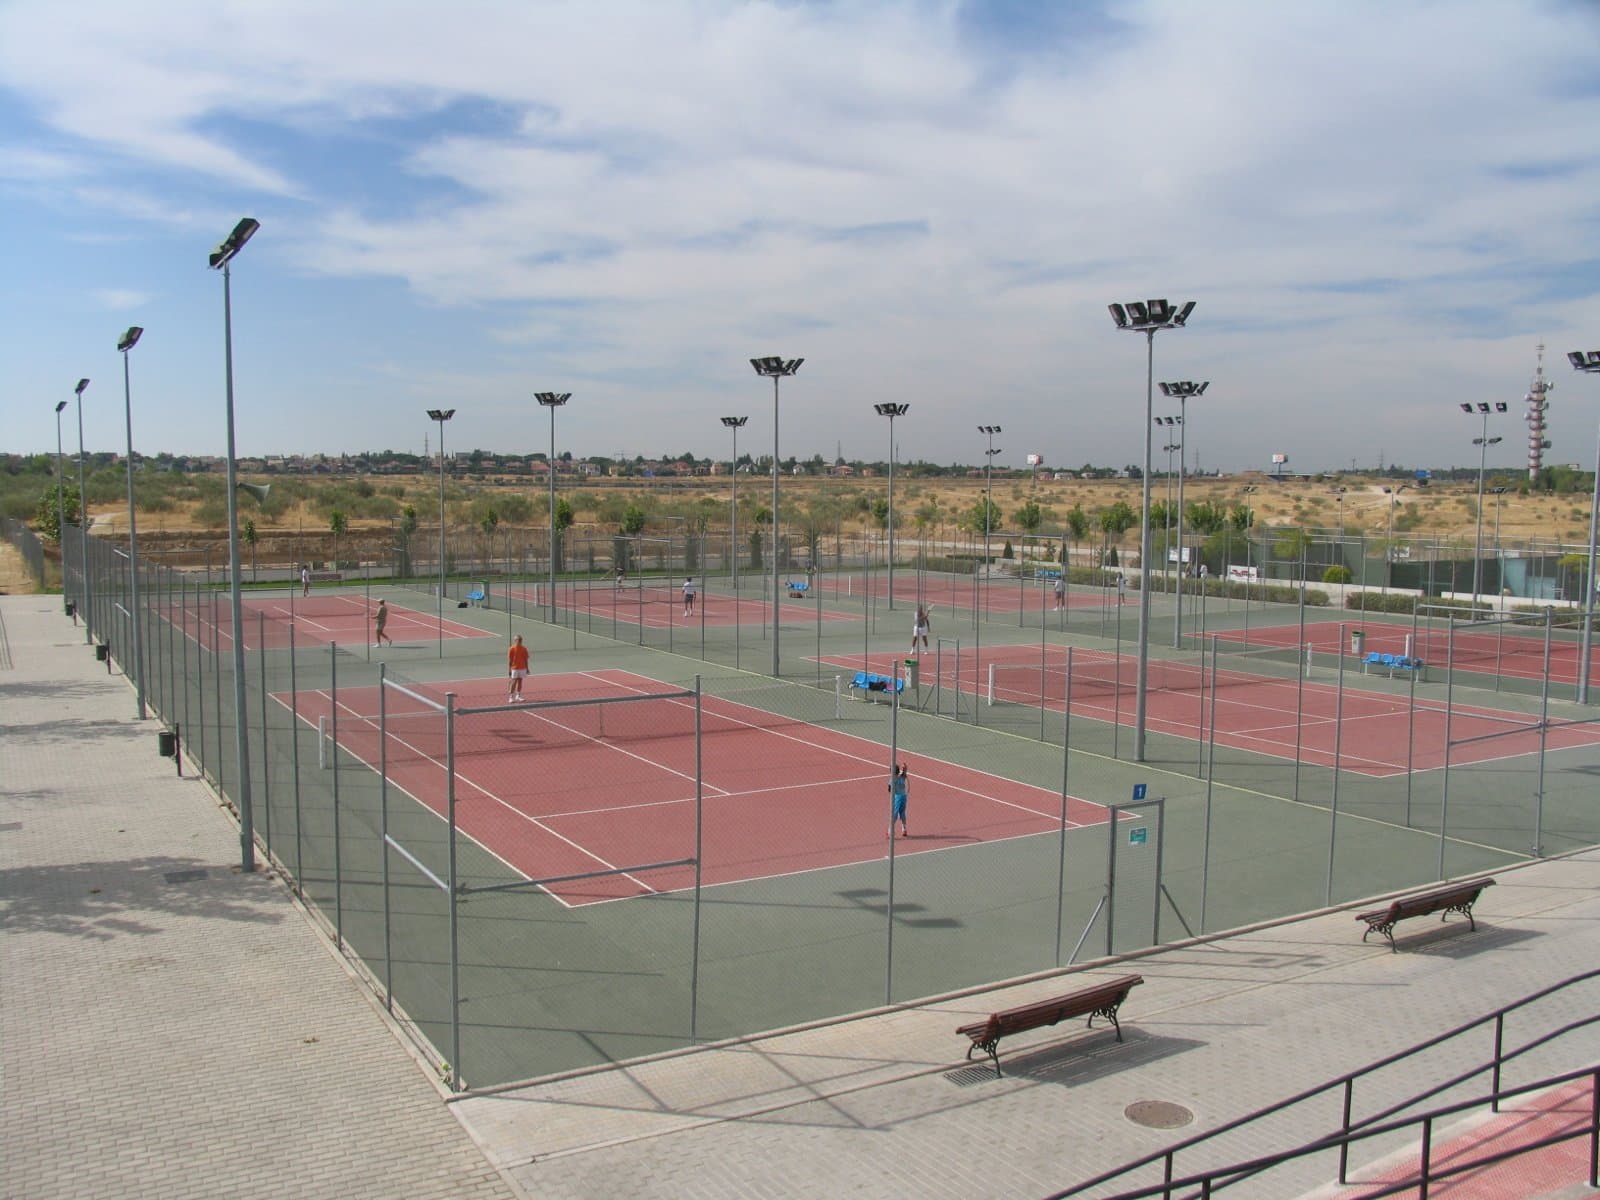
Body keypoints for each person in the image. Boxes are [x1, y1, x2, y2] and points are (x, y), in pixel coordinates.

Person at [507, 634, 530, 702]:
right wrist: (509, 670)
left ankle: (518, 696)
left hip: (522, 668)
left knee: (520, 681)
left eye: (520, 640)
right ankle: (511, 697)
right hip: (514, 668)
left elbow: (526, 659)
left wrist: (527, 668)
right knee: (514, 682)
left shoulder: (524, 649)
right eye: (518, 640)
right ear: (515, 640)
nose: (519, 641)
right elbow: (510, 661)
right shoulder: (511, 649)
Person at [888, 763, 909, 838]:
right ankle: (904, 829)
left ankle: (890, 831)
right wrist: (904, 768)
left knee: (894, 814)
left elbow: (889, 790)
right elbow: (904, 773)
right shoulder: (902, 777)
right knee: (902, 813)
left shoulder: (892, 780)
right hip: (904, 797)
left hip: (897, 798)